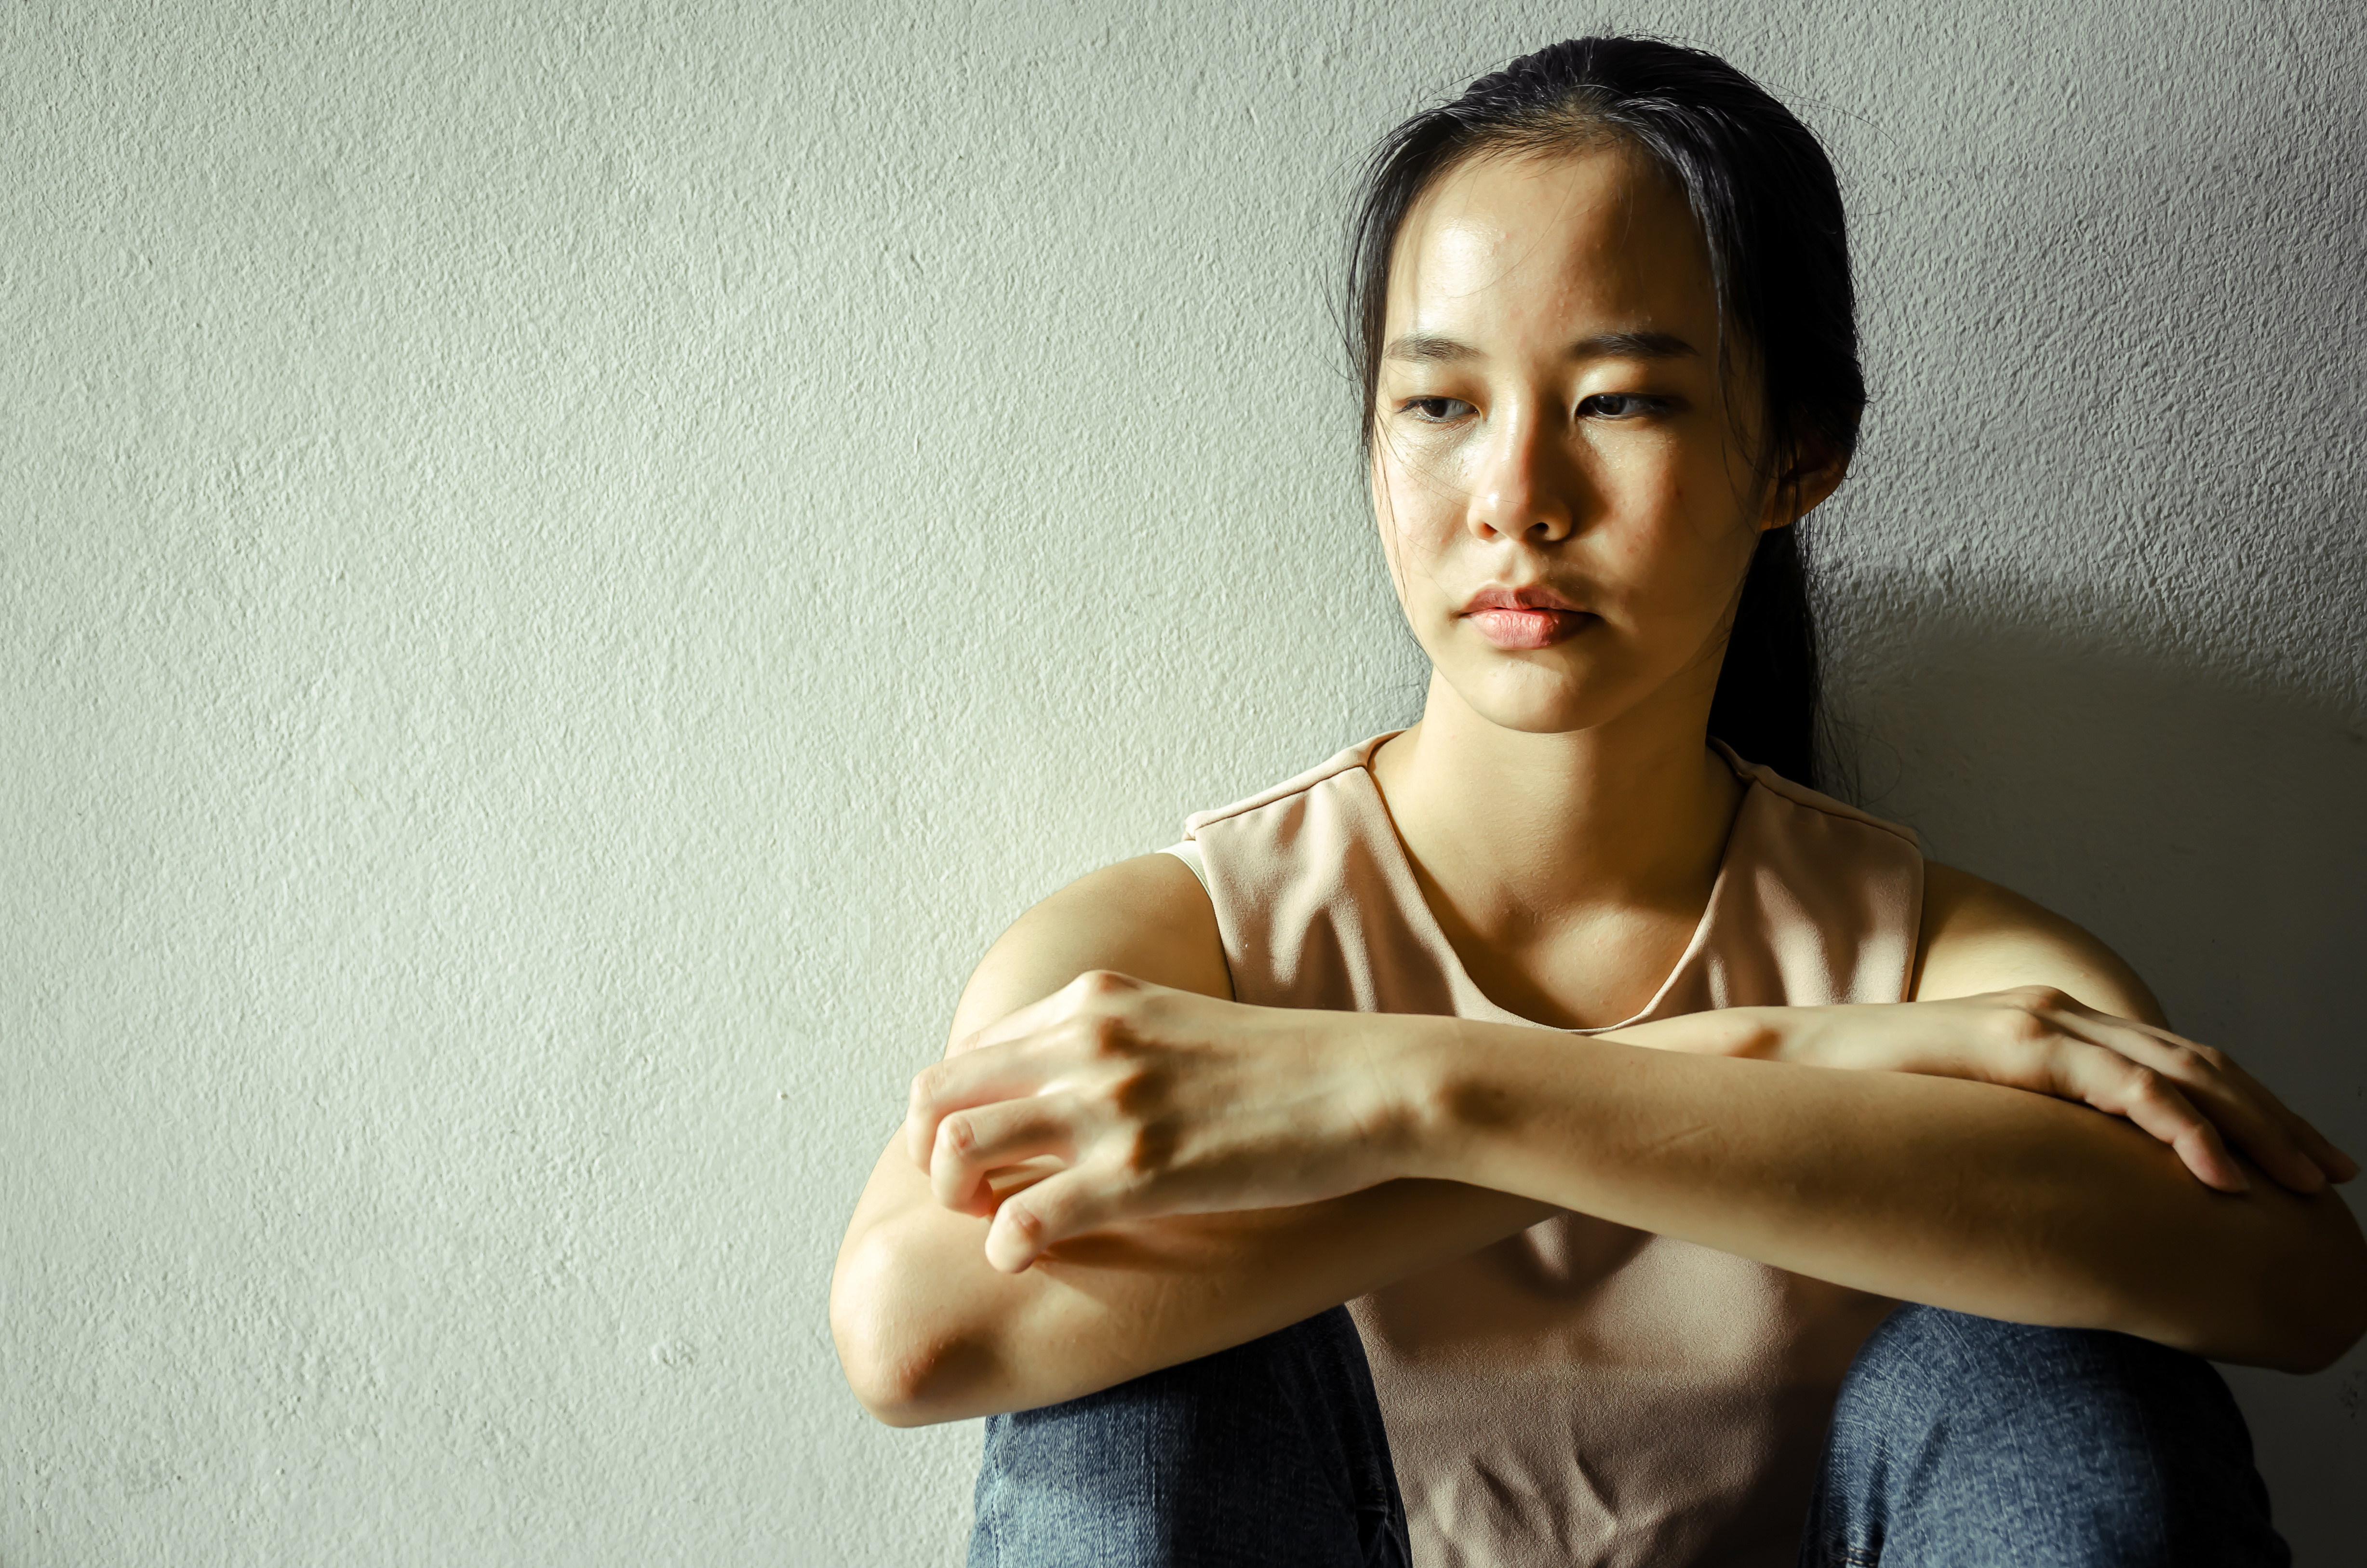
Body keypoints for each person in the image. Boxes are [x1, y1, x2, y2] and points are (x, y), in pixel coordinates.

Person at [829, 36, 2367, 1568]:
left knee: (2059, 1361)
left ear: (1802, 452)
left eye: (1621, 401)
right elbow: (914, 1334)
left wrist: (1433, 1097)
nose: (1517, 498)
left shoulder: (1934, 962)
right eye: (1438, 406)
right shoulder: (1192, 945)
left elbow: (2296, 1288)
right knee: (1127, 1391)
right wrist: (1780, 1054)